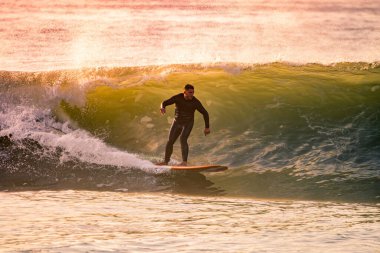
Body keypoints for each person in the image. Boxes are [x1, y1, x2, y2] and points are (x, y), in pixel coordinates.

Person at [158, 84, 210, 166]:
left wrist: (207, 127)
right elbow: (165, 102)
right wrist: (162, 107)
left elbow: (205, 113)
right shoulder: (178, 97)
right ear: (184, 92)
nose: (192, 94)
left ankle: (184, 162)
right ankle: (165, 161)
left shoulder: (195, 102)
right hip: (177, 122)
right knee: (170, 141)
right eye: (190, 92)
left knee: (183, 139)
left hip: (188, 123)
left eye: (193, 92)